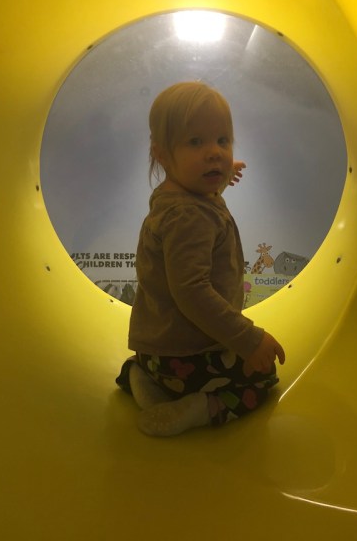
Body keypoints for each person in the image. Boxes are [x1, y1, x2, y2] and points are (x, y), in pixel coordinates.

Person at [116, 81, 285, 436]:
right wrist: (248, 339)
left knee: (158, 368)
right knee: (262, 377)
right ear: (162, 155)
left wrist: (222, 175)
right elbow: (192, 292)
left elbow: (198, 191)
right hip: (187, 356)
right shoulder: (189, 217)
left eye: (222, 141)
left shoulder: (174, 195)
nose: (214, 153)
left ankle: (142, 380)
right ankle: (200, 408)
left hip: (155, 355)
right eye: (196, 142)